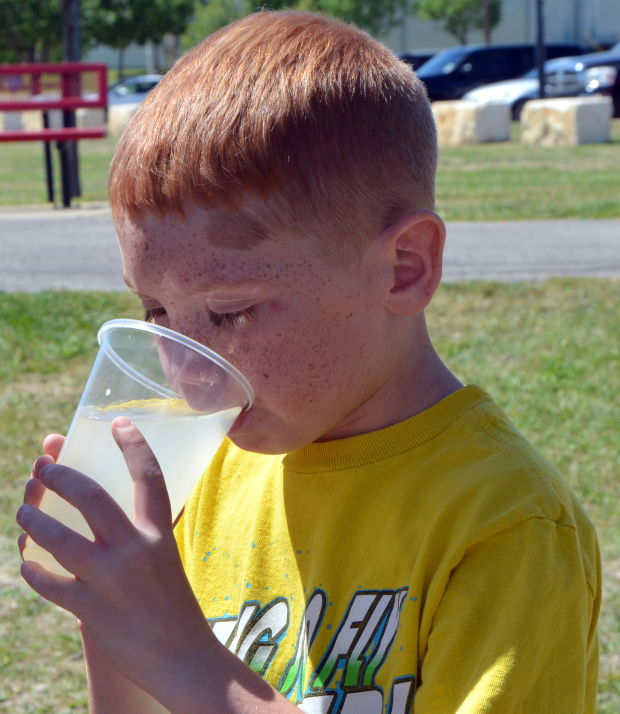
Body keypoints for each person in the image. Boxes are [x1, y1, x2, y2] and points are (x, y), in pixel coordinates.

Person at [17, 10, 600, 714]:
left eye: (230, 313)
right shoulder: (204, 477)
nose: (188, 371)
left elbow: (191, 677)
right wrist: (110, 606)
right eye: (157, 313)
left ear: (405, 268)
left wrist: (186, 660)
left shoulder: (505, 524)